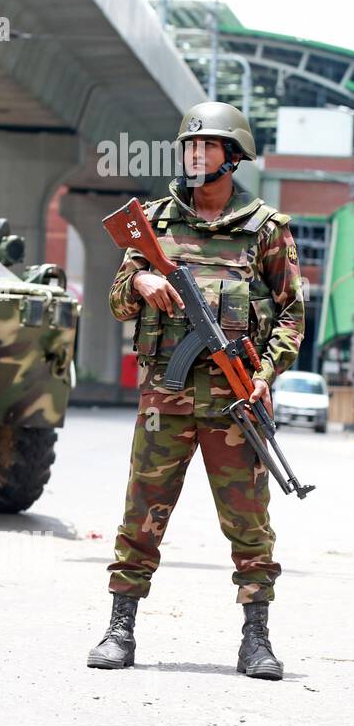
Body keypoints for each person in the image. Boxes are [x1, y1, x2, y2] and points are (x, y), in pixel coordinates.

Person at [88, 101, 304, 680]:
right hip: (166, 397)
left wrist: (264, 376)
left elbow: (290, 317)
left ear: (232, 157)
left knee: (249, 522)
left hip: (238, 403)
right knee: (141, 513)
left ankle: (256, 638)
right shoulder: (155, 222)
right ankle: (119, 628)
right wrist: (142, 277)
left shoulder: (266, 230)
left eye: (206, 146)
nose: (193, 155)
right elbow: (115, 299)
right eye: (188, 146)